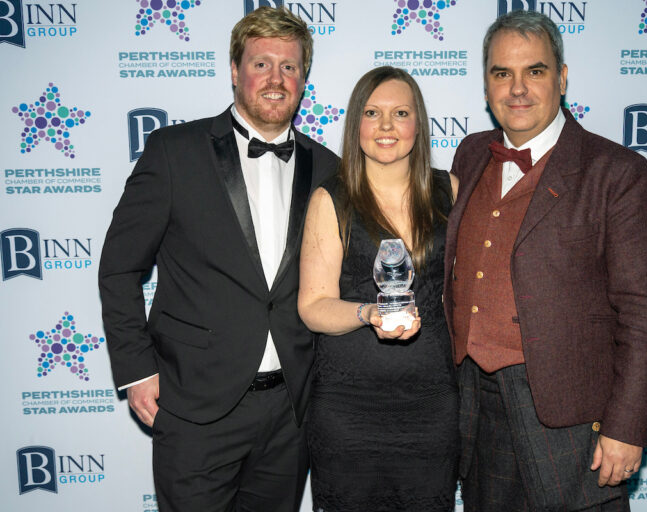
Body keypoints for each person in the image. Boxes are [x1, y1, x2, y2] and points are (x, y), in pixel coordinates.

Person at [98, 7, 338, 512]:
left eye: (289, 67)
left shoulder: (329, 169)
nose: (276, 79)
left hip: (290, 413)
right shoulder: (173, 152)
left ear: (303, 78)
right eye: (261, 64)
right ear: (234, 71)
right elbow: (119, 268)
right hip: (194, 407)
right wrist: (137, 371)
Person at [443, 10, 647, 512]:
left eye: (536, 71)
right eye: (502, 73)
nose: (518, 88)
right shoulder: (470, 153)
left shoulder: (617, 172)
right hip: (477, 408)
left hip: (572, 422)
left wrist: (626, 427)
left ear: (562, 78)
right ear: (486, 85)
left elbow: (644, 313)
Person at [297, 66, 460, 512]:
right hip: (349, 412)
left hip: (432, 407)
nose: (386, 126)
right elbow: (313, 306)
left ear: (418, 124)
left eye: (400, 112)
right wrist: (368, 313)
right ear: (357, 126)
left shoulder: (452, 191)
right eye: (373, 112)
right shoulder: (331, 200)